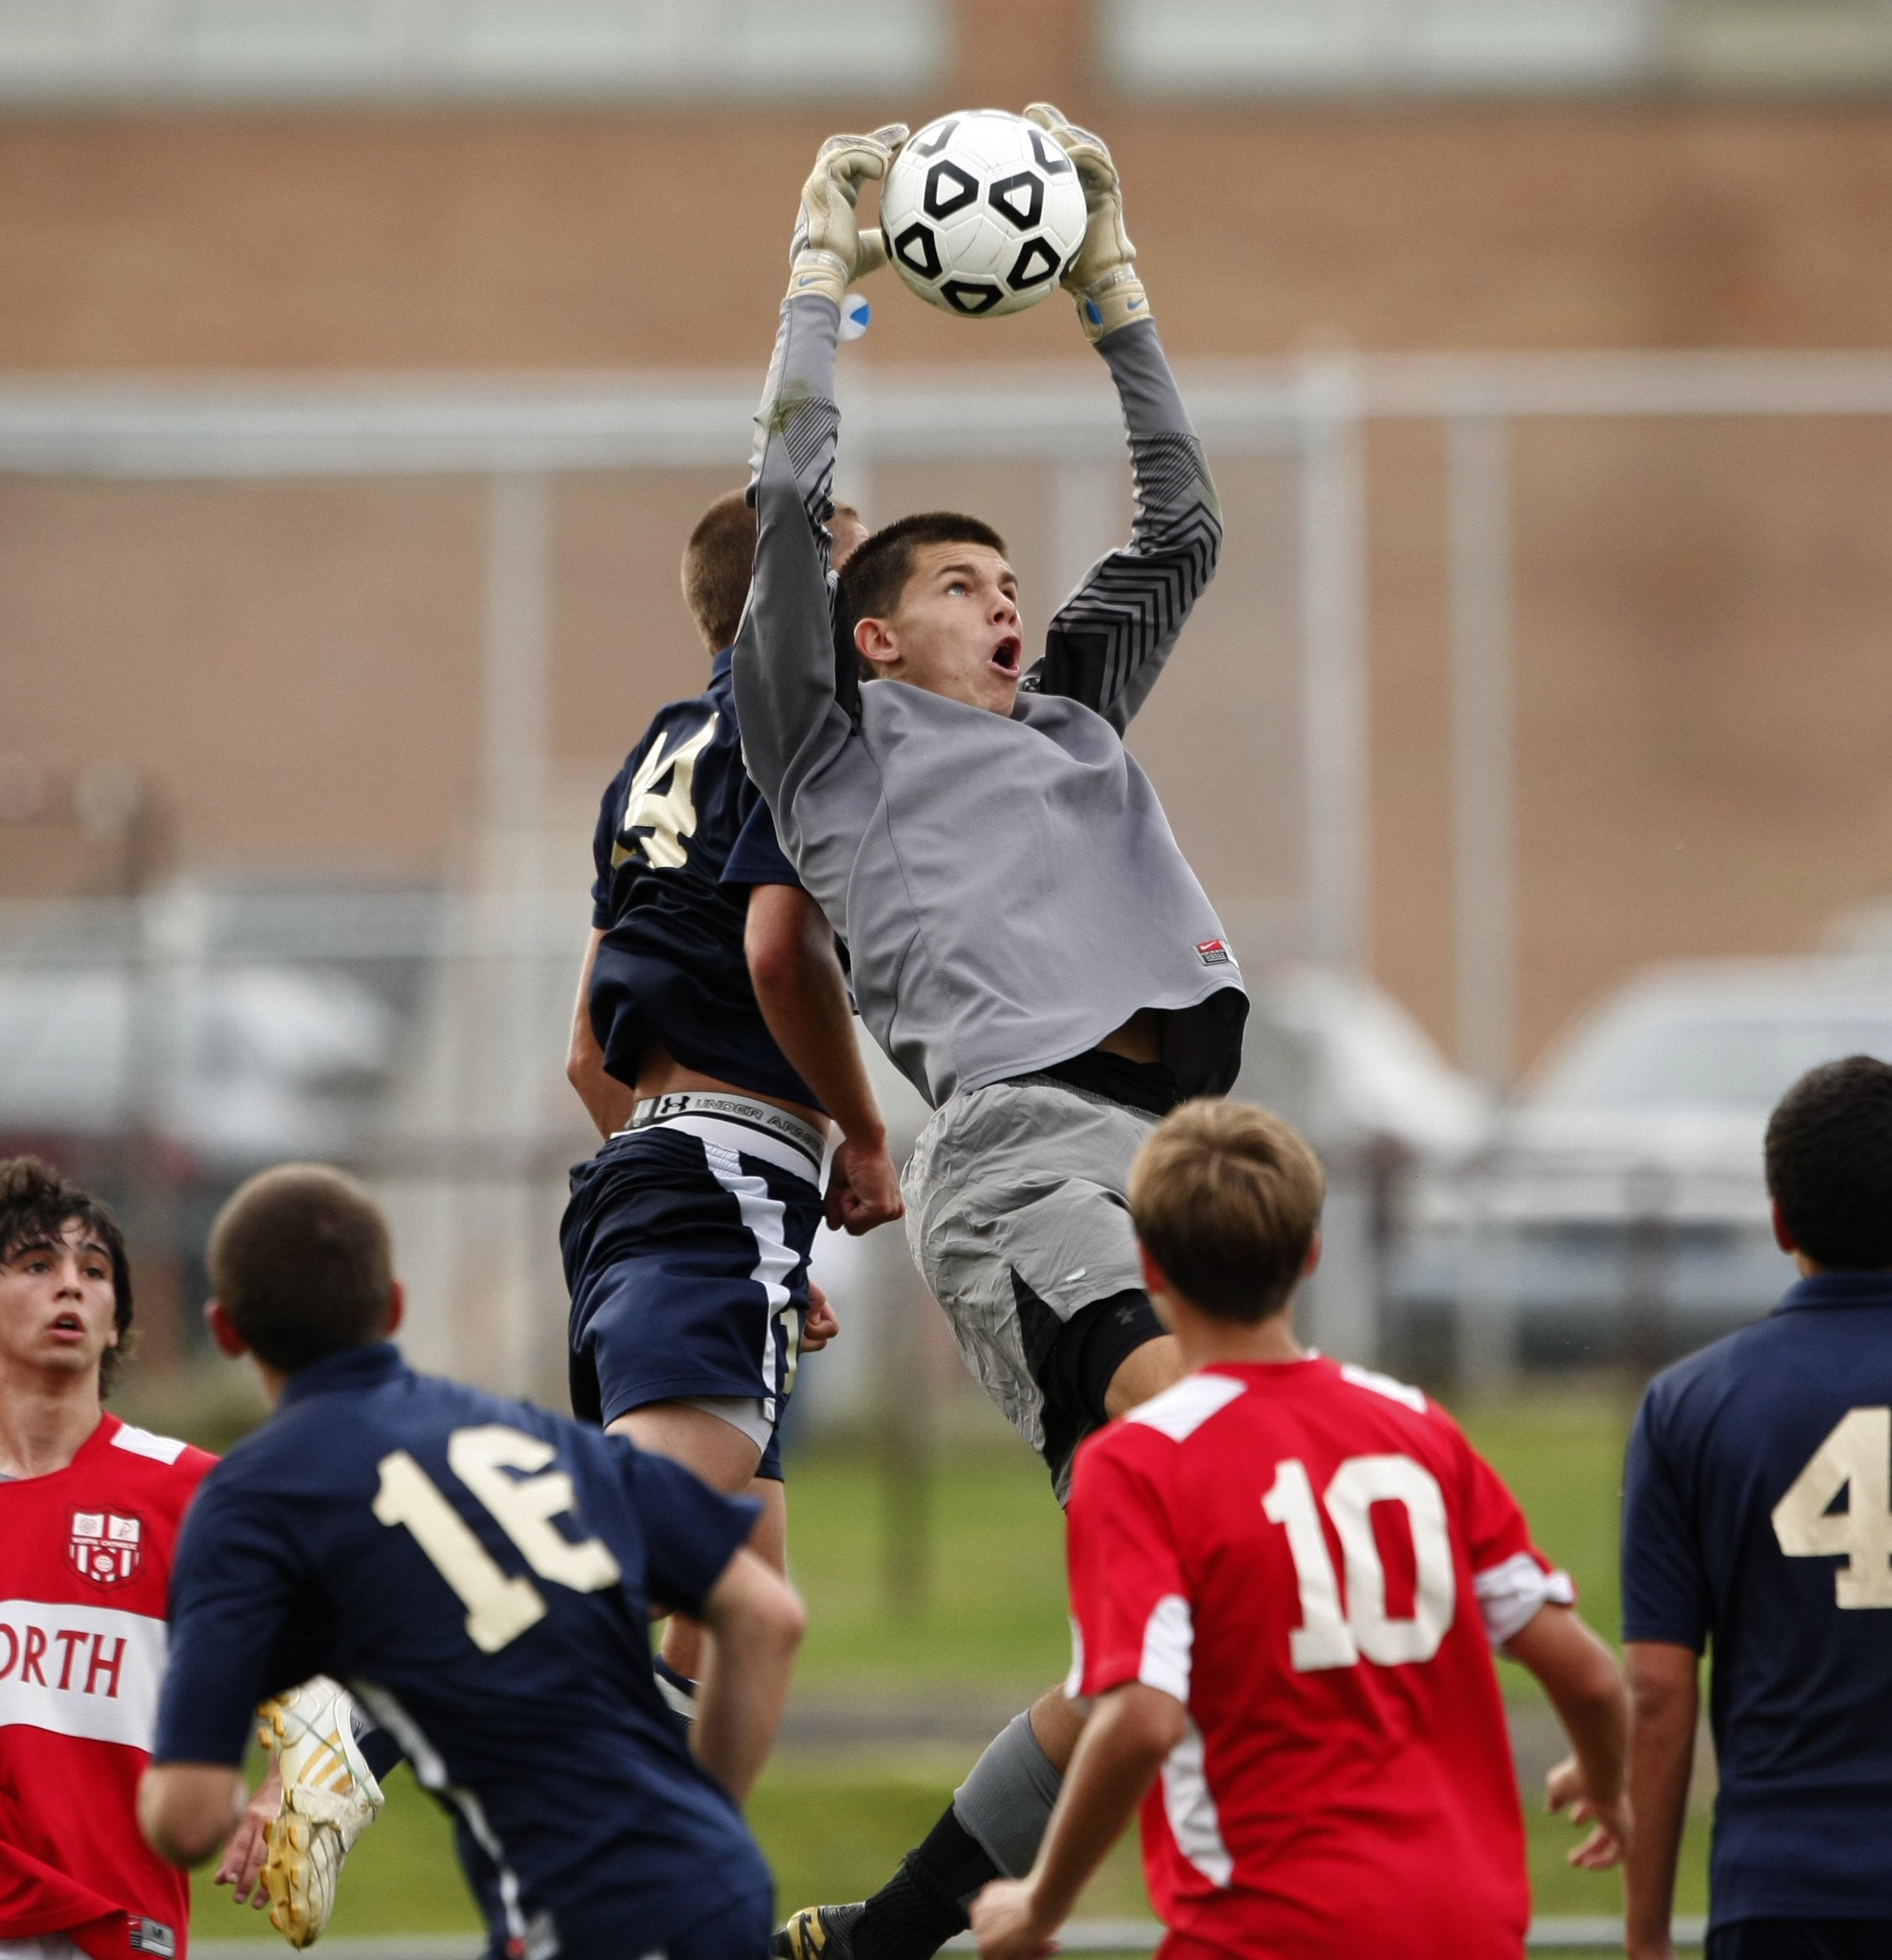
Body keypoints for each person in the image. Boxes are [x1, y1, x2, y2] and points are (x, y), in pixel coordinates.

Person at [739, 110, 1236, 1957]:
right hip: (1029, 1150)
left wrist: (1113, 286)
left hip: (1200, 1165)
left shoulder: (1073, 709)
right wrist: (822, 277)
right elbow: (793, 504)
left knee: (1173, 1622)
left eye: (1011, 581)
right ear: (868, 642)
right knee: (1213, 1483)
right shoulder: (831, 746)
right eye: (961, 585)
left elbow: (1180, 521)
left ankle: (892, 1936)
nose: (1008, 602)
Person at [968, 1099, 1632, 1960]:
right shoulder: (1420, 1429)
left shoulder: (1138, 1463)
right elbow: (1588, 1677)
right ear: (1311, 1255)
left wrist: (1041, 1904)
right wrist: (1604, 1780)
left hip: (1265, 1927)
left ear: (1150, 1268)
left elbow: (1139, 1719)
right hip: (1463, 1924)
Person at [140, 1162, 805, 1960]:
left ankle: (340, 1723)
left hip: (582, 1911)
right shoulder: (532, 1435)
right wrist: (705, 1816)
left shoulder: (249, 1496)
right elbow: (768, 1613)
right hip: (719, 1882)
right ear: (393, 1308)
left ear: (225, 1330)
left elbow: (188, 1819)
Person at [561, 488, 901, 1716]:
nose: (880, 602)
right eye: (861, 575)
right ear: (796, 599)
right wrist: (860, 1136)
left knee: (740, 1623)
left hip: (653, 1181)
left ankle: (657, 1908)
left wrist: (748, 1212)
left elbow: (586, 1057)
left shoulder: (657, 748)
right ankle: (363, 1704)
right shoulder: (794, 729)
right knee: (645, 1557)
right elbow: (778, 952)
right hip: (713, 1187)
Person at [0, 1156, 273, 1960]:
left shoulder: (194, 1491)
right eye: (36, 1265)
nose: (71, 1286)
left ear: (116, 1315)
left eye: (93, 1271)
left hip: (127, 1926)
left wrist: (285, 1791)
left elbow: (325, 1664)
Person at [1619, 1054, 1892, 1960]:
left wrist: (1647, 1933)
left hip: (1780, 1881)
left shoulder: (1688, 1404)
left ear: (1778, 1221)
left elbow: (1658, 1692)